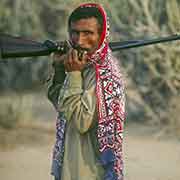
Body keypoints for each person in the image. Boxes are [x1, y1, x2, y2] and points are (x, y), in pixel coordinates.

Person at [47, 3, 126, 180]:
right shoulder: (83, 64)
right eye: (75, 33)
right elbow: (61, 105)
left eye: (88, 33)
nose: (79, 40)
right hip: (71, 166)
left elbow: (82, 121)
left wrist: (74, 74)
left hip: (90, 172)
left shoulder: (106, 75)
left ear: (102, 35)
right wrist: (60, 70)